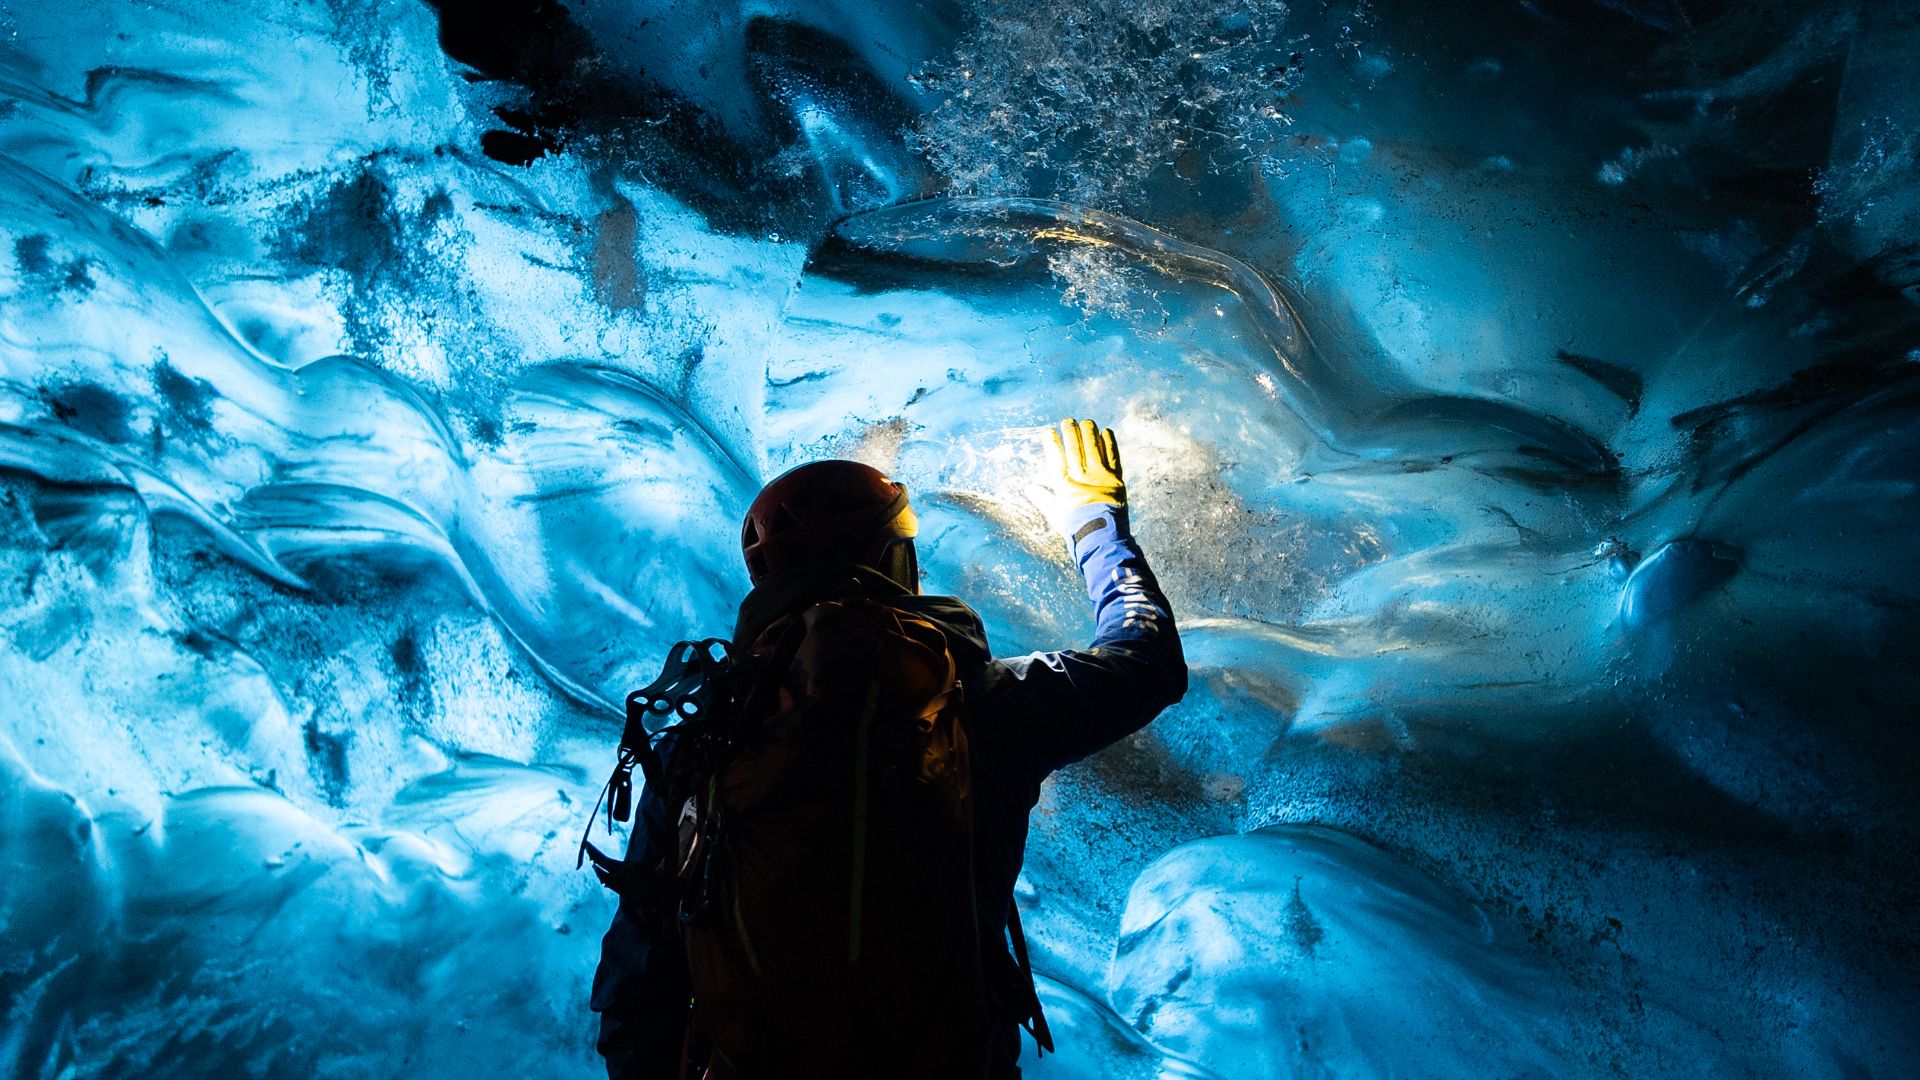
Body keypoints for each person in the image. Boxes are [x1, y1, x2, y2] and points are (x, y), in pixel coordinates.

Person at [590, 418, 1186, 1079]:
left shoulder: (704, 742)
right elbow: (1145, 660)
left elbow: (635, 989)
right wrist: (1096, 523)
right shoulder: (975, 700)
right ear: (893, 559)